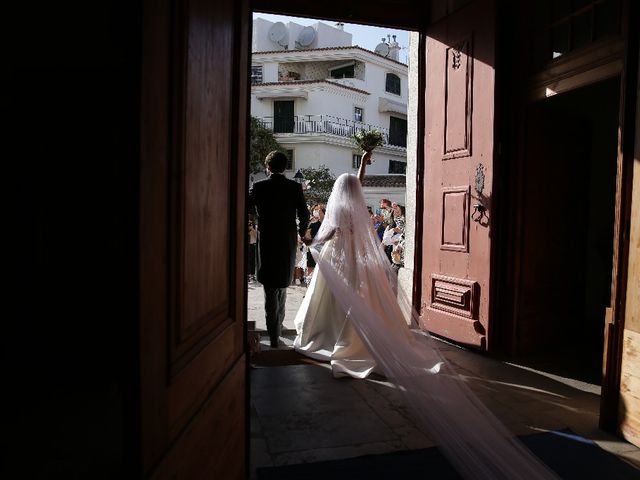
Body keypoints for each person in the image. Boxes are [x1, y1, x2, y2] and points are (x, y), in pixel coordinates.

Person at [294, 151, 557, 480]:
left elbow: (328, 233)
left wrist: (312, 243)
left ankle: (333, 337)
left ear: (336, 193)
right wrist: (362, 162)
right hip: (357, 263)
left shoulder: (338, 212)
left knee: (329, 303)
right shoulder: (359, 208)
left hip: (338, 260)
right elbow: (356, 185)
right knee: (360, 301)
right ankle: (357, 338)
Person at [249, 151, 309, 348]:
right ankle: (278, 327)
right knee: (283, 283)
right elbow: (304, 212)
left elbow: (244, 206)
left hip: (267, 240)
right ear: (285, 167)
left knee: (270, 287)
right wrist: (301, 233)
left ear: (268, 167)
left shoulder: (258, 187)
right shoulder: (294, 187)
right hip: (287, 240)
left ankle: (274, 334)